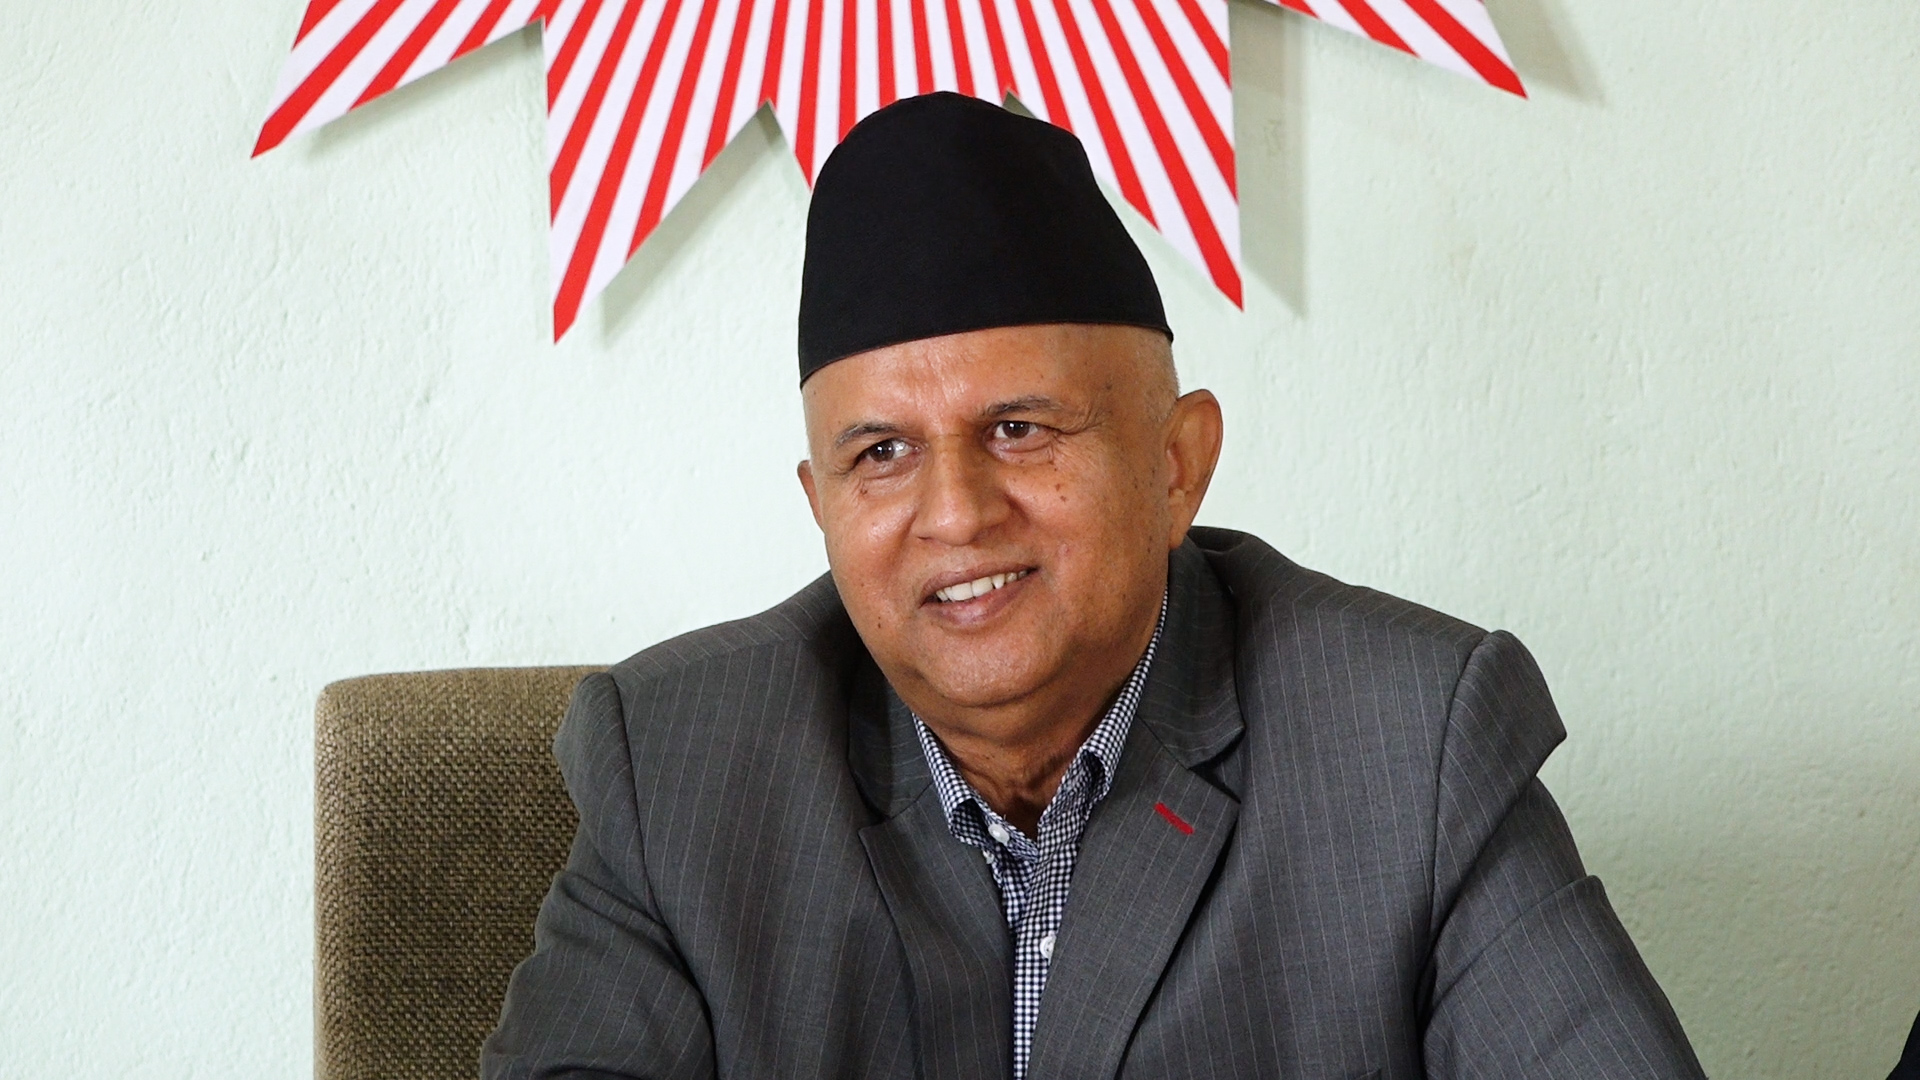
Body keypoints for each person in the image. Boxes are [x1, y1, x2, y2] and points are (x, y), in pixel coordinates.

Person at [483, 92, 1704, 1079]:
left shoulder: (1414, 740)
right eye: (883, 453)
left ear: (1177, 465)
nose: (955, 513)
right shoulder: (679, 766)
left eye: (1019, 429)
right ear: (823, 507)